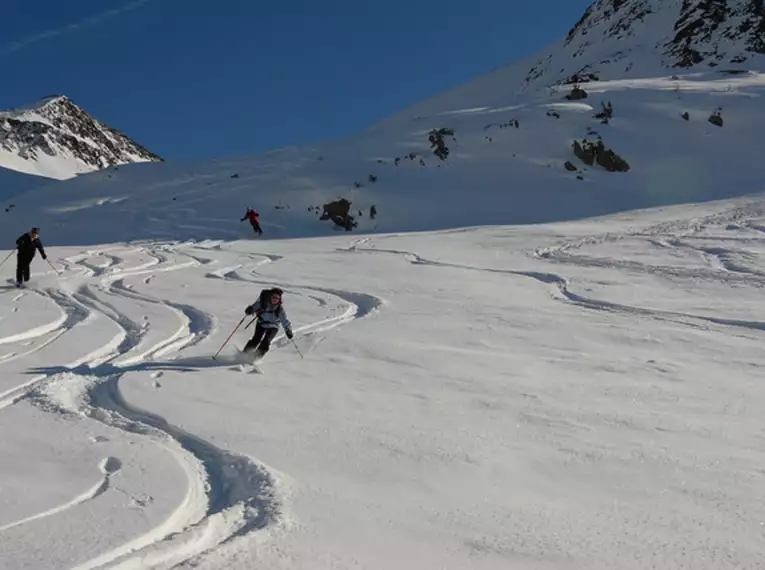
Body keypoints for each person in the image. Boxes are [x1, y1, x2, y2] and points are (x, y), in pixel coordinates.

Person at [243, 287, 293, 359]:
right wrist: (249, 310)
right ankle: (245, 353)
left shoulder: (280, 309)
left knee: (266, 341)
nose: (275, 300)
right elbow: (253, 308)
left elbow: (284, 321)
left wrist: (288, 330)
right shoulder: (262, 303)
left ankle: (256, 357)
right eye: (274, 297)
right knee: (256, 339)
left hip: (273, 326)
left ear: (279, 300)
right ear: (270, 297)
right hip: (261, 323)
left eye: (277, 298)